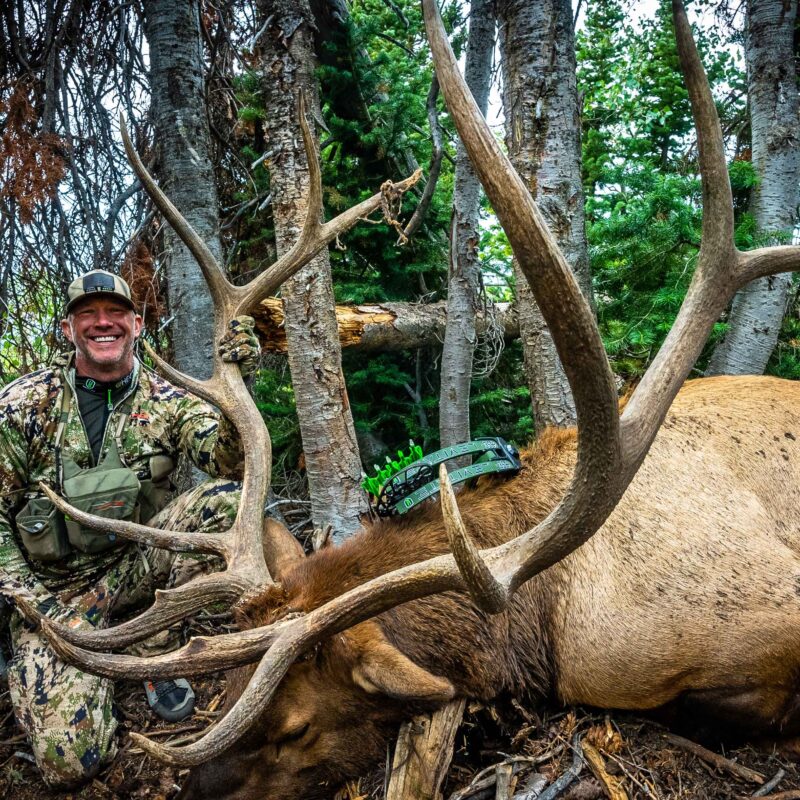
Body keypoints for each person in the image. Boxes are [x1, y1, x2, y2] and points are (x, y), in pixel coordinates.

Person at [0, 269, 260, 788]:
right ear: (69, 329)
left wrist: (240, 385)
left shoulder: (168, 399)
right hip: (51, 594)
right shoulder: (22, 405)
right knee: (72, 763)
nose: (103, 323)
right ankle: (65, 666)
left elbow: (229, 462)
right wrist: (43, 612)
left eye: (115, 313)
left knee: (225, 505)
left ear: (136, 324)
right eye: (87, 315)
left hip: (133, 569)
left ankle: (150, 640)